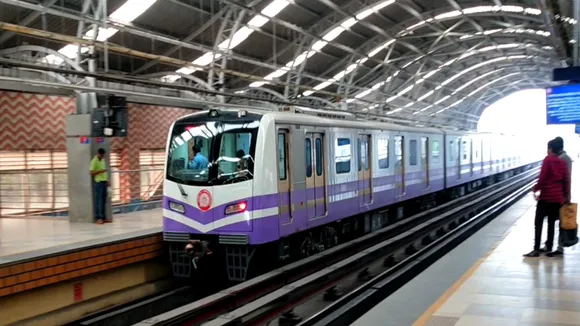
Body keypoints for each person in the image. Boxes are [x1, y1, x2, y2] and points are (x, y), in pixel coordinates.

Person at [524, 140, 571, 257]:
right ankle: (549, 247)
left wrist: (535, 189)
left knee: (538, 222)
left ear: (550, 149)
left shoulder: (548, 160)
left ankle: (536, 249)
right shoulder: (562, 163)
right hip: (558, 199)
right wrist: (566, 196)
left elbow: (543, 178)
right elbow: (567, 180)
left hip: (546, 198)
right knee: (551, 222)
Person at [550, 136, 573, 256]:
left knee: (561, 222)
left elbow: (566, 178)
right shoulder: (564, 158)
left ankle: (560, 246)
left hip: (561, 194)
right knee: (559, 221)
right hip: (562, 194)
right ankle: (557, 245)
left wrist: (567, 195)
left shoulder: (563, 159)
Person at [90, 148, 109, 225]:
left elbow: (104, 172)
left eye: (103, 155)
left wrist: (107, 180)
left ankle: (103, 217)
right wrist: (100, 171)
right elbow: (91, 172)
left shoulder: (102, 160)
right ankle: (98, 218)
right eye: (101, 155)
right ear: (98, 154)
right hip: (98, 183)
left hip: (104, 182)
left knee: (103, 201)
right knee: (98, 201)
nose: (102, 156)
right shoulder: (94, 161)